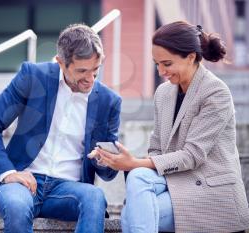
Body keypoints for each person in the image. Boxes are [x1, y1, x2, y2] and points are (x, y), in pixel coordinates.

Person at [90, 21, 249, 233]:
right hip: (174, 181)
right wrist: (119, 160)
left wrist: (133, 163)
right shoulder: (164, 93)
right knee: (137, 177)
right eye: (156, 64)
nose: (161, 71)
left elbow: (192, 155)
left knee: (131, 213)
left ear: (191, 57)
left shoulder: (216, 93)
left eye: (167, 63)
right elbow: (156, 148)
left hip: (209, 192)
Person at [0, 23, 121, 233]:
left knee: (94, 197)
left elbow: (107, 174)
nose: (90, 79)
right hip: (23, 182)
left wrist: (106, 159)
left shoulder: (109, 101)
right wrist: (8, 173)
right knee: (16, 205)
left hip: (68, 190)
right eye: (82, 71)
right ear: (61, 63)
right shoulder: (33, 76)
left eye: (95, 70)